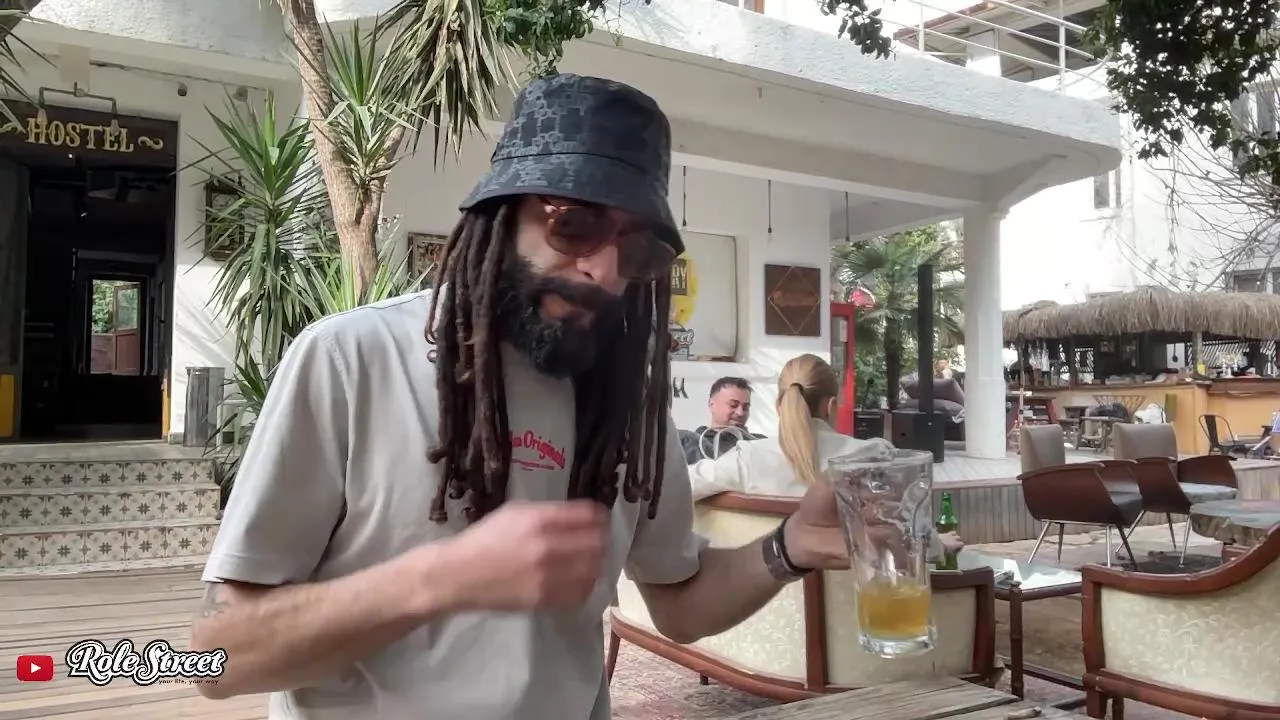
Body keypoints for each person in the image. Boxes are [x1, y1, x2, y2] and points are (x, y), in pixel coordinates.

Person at [189, 74, 849, 720]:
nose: (605, 271)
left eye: (639, 251)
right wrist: (443, 579)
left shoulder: (626, 404)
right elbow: (219, 658)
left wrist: (791, 546)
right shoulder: (351, 359)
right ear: (501, 217)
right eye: (575, 225)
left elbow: (678, 602)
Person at [688, 354, 963, 557]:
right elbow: (913, 534)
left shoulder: (746, 459)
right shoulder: (873, 455)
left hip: (765, 607)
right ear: (831, 406)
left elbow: (678, 487)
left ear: (779, 406)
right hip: (852, 609)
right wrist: (939, 546)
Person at [679, 376, 766, 463]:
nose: (740, 413)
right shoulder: (691, 446)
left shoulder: (761, 443)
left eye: (745, 407)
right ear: (711, 405)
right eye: (733, 405)